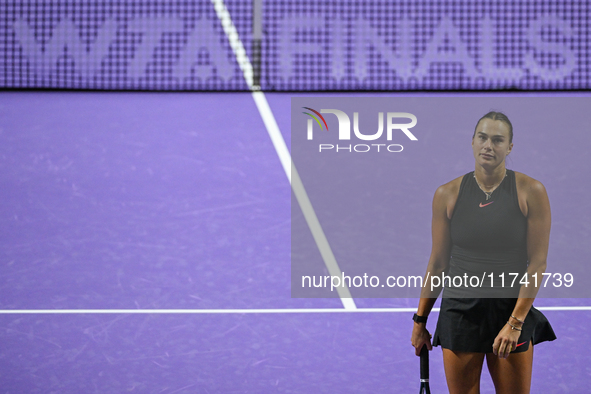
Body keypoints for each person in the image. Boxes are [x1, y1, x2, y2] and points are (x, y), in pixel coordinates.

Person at [410, 111, 556, 394]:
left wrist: (515, 323)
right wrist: (420, 320)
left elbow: (537, 264)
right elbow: (438, 264)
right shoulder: (447, 194)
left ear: (510, 147)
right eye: (483, 138)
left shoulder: (531, 191)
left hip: (510, 311)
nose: (489, 145)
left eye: (498, 140)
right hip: (460, 313)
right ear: (473, 142)